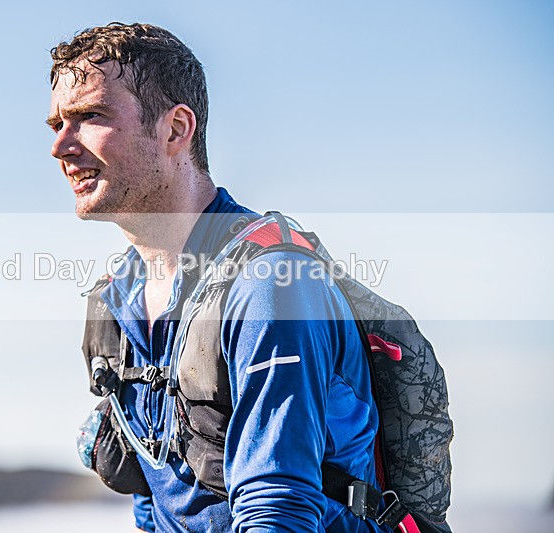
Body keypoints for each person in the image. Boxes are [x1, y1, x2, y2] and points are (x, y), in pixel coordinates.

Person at [47, 23, 394, 532]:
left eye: (90, 117)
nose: (60, 146)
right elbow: (156, 500)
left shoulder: (270, 285)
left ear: (175, 129)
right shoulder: (117, 299)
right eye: (56, 122)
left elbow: (279, 510)